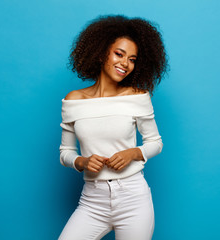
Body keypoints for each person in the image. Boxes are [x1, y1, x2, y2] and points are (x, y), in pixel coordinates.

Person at [58, 15, 168, 240]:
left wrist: (133, 153)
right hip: (92, 201)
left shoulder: (137, 97)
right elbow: (65, 153)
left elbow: (155, 142)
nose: (125, 63)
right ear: (101, 53)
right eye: (119, 54)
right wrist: (83, 162)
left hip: (133, 199)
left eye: (132, 59)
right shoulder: (73, 100)